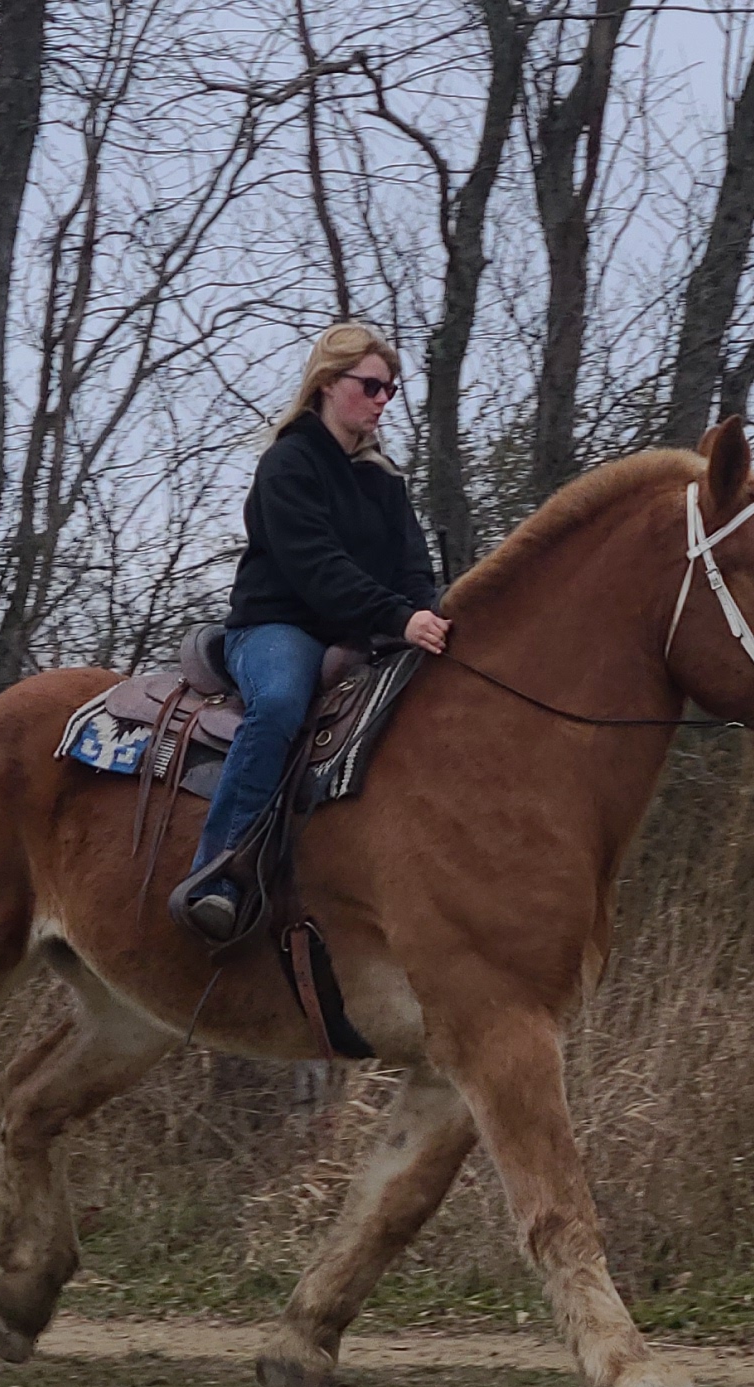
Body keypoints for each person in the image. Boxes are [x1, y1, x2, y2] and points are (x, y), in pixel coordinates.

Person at [171, 321, 454, 942]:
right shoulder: (288, 464)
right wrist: (398, 618)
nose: (383, 401)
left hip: (370, 633)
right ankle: (215, 875)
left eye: (392, 391)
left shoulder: (384, 480)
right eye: (372, 386)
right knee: (277, 705)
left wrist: (429, 616)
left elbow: (413, 568)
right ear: (329, 384)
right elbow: (316, 569)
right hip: (280, 627)